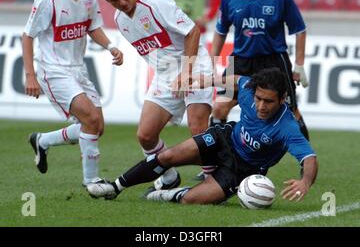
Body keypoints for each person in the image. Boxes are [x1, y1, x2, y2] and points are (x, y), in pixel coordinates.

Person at [86, 68, 318, 204]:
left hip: (243, 169)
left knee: (190, 201)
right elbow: (237, 80)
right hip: (224, 139)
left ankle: (168, 194)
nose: (261, 106)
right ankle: (114, 187)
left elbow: (309, 158)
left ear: (282, 98)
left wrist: (305, 181)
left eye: (268, 101)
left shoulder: (287, 126)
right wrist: (205, 80)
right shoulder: (250, 90)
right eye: (258, 98)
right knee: (169, 156)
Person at [95, 0, 214, 193]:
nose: (122, 1)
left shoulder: (155, 2)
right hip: (165, 73)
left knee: (198, 128)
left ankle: (213, 181)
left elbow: (193, 32)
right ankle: (169, 177)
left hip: (194, 63)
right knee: (145, 135)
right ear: (107, 1)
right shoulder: (121, 20)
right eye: (114, 0)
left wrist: (186, 71)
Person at [22, 0, 123, 188]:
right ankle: (92, 182)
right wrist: (30, 75)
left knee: (96, 127)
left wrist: (110, 46)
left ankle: (42, 141)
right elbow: (27, 35)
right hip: (53, 70)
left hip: (78, 68)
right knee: (89, 117)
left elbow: (92, 27)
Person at [209, 0, 310, 144]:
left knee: (290, 110)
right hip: (240, 60)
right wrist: (213, 61)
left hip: (273, 61)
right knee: (220, 107)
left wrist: (299, 64)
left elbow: (299, 29)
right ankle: (216, 163)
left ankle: (306, 160)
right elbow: (221, 31)